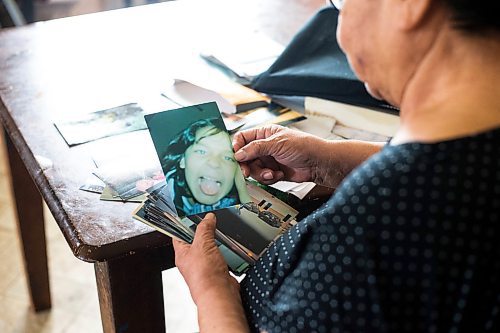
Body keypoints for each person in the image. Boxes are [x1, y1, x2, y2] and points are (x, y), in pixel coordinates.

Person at [173, 0, 500, 332]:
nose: (337, 26)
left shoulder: (379, 221)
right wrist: (329, 161)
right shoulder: (457, 164)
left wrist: (212, 292)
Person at [162, 117, 250, 216]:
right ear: (183, 160)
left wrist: (244, 194)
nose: (214, 163)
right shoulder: (164, 193)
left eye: (228, 158)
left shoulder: (233, 201)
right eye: (202, 151)